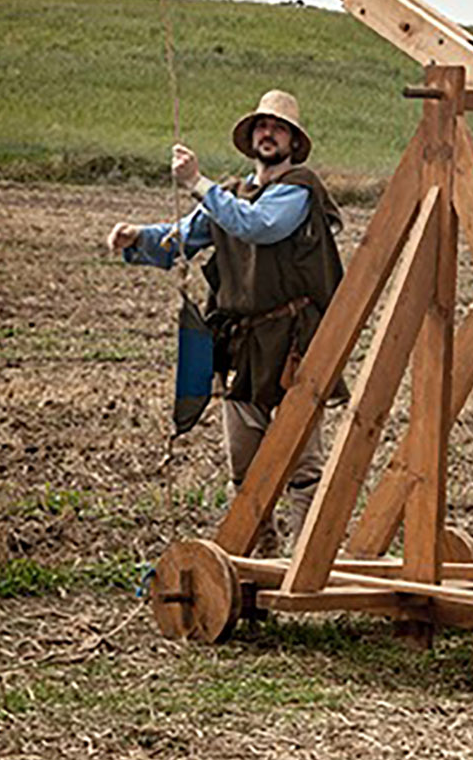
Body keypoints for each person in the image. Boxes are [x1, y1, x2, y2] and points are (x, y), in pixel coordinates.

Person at [106, 90, 343, 556]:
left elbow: (258, 225)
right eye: (261, 126)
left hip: (295, 341)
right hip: (242, 343)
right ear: (251, 138)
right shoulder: (230, 195)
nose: (268, 134)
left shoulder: (299, 189)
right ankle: (261, 550)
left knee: (302, 463)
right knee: (243, 461)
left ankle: (307, 559)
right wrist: (138, 237)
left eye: (278, 128)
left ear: (293, 142)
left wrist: (197, 182)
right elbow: (186, 236)